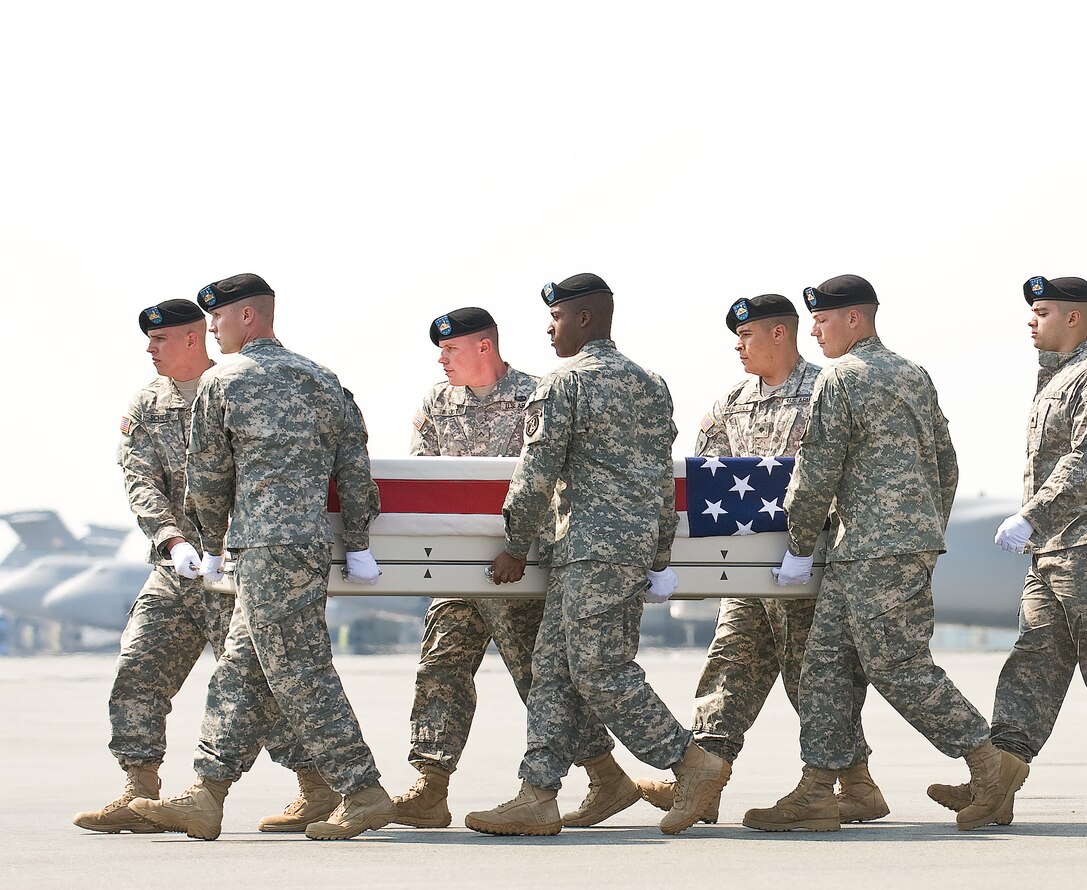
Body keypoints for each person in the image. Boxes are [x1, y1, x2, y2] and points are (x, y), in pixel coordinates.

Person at [130, 273, 396, 841]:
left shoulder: (225, 384)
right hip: (305, 548)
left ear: (248, 317)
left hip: (262, 548)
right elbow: (355, 472)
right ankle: (206, 793)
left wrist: (211, 546)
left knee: (300, 672)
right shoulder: (322, 380)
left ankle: (363, 789)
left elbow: (207, 479)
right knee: (239, 670)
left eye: (219, 319)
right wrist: (356, 545)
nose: (214, 331)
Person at [756, 273, 1023, 832]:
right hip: (882, 548)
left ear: (855, 318)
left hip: (871, 550)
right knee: (825, 665)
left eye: (823, 321)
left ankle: (989, 766)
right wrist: (924, 526)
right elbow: (947, 463)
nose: (815, 331)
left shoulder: (841, 379)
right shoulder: (913, 375)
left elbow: (815, 472)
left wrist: (799, 545)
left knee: (896, 665)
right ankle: (816, 790)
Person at [930, 274, 1087, 827]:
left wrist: (1031, 515)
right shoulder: (1054, 381)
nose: (1031, 320)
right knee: (1033, 661)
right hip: (1055, 549)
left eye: (1042, 311)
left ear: (1075, 317)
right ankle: (996, 784)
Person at [466, 273, 701, 837]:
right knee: (552, 671)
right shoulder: (651, 384)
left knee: (599, 670)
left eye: (558, 319)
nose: (550, 330)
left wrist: (516, 546)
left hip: (590, 549)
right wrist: (660, 553)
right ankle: (537, 795)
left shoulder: (563, 383)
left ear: (586, 319)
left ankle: (691, 765)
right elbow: (662, 477)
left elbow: (536, 472)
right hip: (626, 548)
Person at [639, 293, 884, 829]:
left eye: (747, 336)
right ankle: (702, 779)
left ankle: (856, 784)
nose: (738, 346)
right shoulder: (732, 402)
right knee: (728, 665)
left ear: (780, 334)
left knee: (813, 677)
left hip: (807, 566)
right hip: (746, 571)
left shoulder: (828, 391)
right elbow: (701, 475)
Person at [74, 301, 310, 833]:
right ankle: (139, 788)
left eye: (160, 340)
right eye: (148, 340)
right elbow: (139, 479)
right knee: (137, 666)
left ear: (191, 339)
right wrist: (171, 539)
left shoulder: (235, 388)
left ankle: (315, 786)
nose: (150, 350)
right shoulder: (147, 403)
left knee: (261, 684)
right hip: (177, 567)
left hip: (234, 570)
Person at [388, 308, 626, 829]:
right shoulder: (436, 403)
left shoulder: (535, 396)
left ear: (484, 347)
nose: (441, 359)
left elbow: (552, 478)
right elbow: (423, 477)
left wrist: (521, 546)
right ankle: (431, 786)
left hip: (518, 569)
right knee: (440, 669)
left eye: (451, 350)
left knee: (534, 677)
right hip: (455, 571)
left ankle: (605, 774)